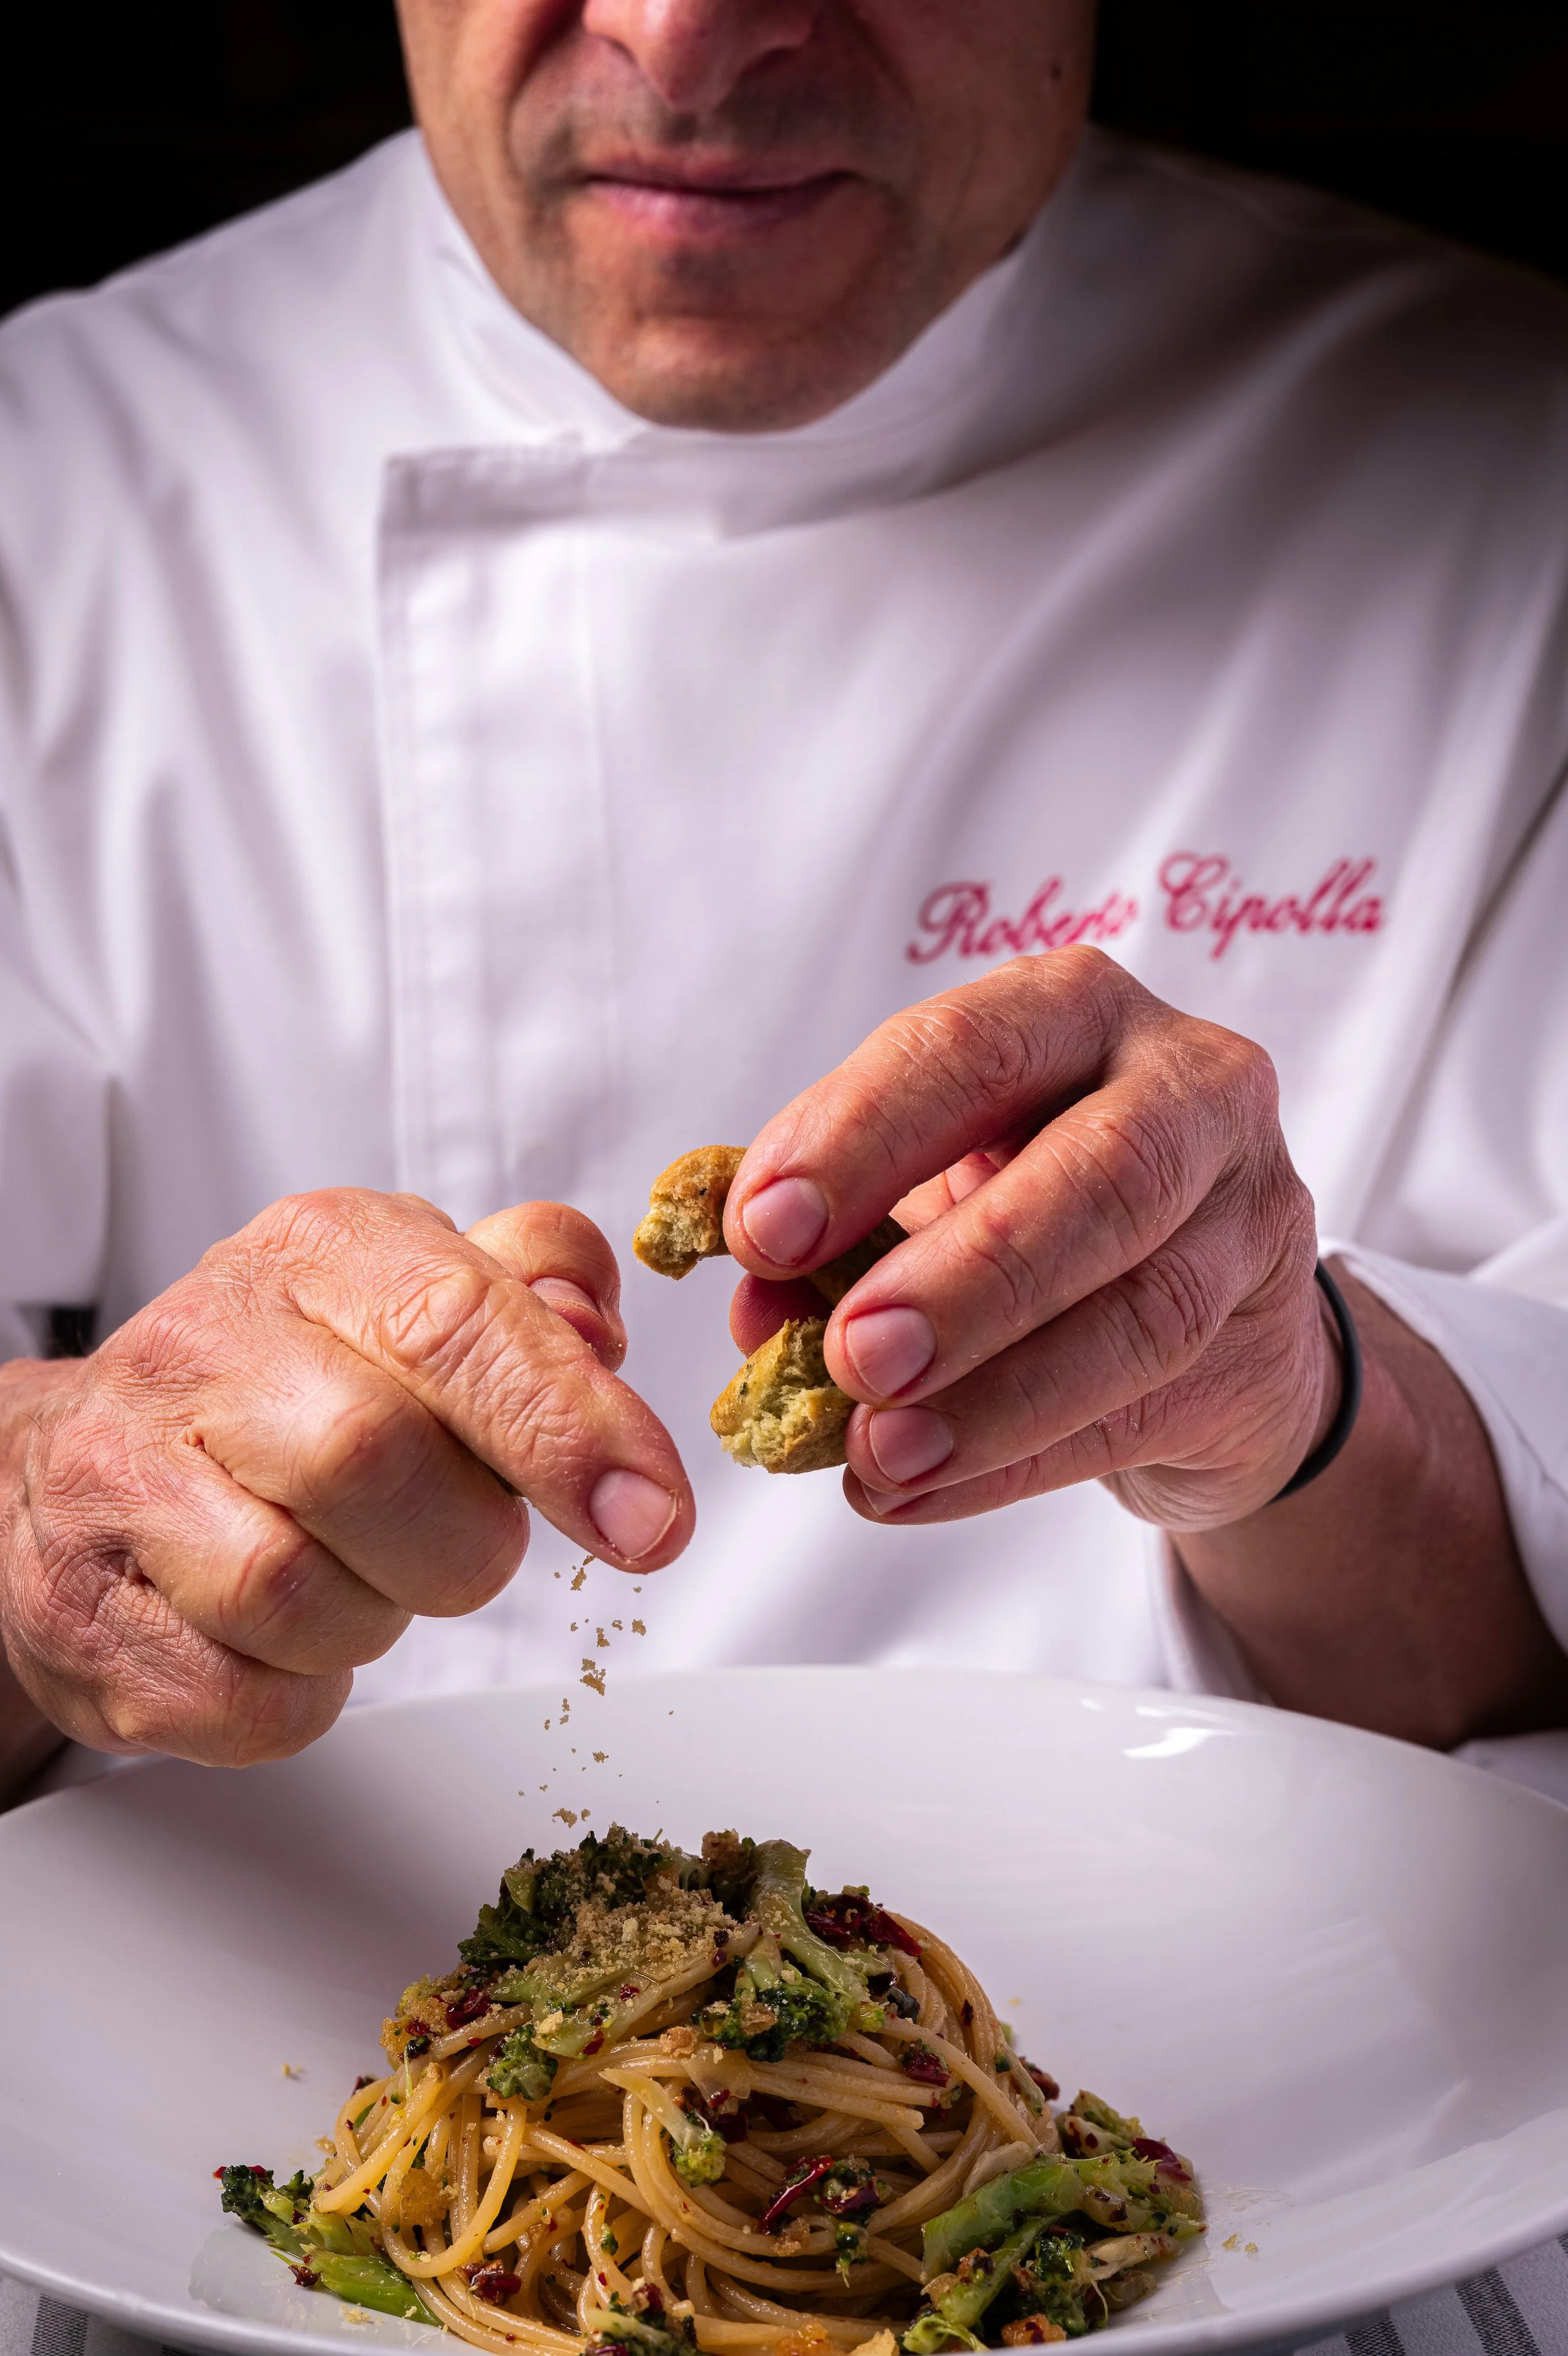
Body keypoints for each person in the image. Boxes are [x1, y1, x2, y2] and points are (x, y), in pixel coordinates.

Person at [4, 0, 1568, 1807]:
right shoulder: (44, 487)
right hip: (226, 2017)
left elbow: (1512, 1641)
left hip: (1244, 2021)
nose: (680, 41)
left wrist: (1280, 1404)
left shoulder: (1517, 499)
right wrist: (46, 1520)